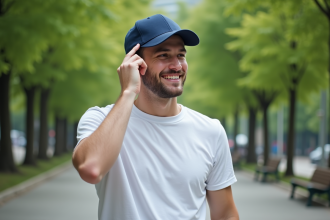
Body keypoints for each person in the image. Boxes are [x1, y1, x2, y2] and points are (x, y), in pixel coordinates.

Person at [72, 14, 239, 220]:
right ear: (135, 63)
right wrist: (127, 93)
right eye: (163, 56)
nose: (177, 66)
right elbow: (91, 169)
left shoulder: (210, 130)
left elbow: (225, 214)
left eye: (181, 55)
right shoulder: (99, 120)